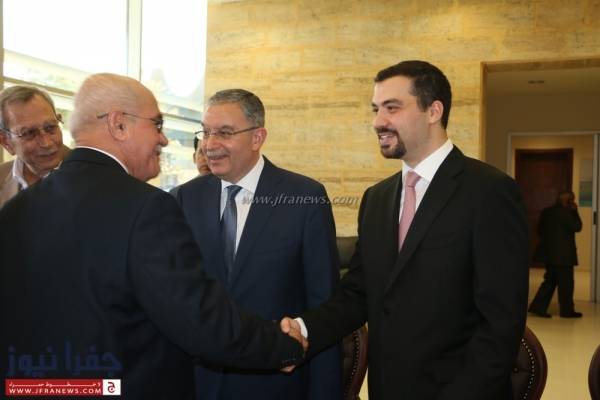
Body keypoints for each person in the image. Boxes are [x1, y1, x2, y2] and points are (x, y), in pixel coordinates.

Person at [0, 73, 305, 399]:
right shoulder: (146, 208)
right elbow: (198, 320)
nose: (164, 140)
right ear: (118, 124)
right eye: (157, 125)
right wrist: (283, 347)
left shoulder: (15, 210)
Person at [281, 60, 529, 400]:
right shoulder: (377, 199)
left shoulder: (490, 192)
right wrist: (303, 328)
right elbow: (358, 294)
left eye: (392, 108)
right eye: (376, 109)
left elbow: (501, 324)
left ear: (433, 111)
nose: (378, 122)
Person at [175, 89, 342, 400]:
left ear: (257, 137)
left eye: (224, 133)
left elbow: (324, 306)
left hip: (275, 383)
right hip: (199, 383)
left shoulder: (305, 197)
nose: (210, 144)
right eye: (206, 132)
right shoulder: (184, 198)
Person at [0, 85, 69, 208]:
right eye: (29, 133)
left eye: (50, 127)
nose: (46, 143)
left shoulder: (95, 173)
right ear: (6, 142)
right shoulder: (2, 176)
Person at [529, 190, 583, 318]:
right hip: (564, 256)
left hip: (549, 254)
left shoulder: (547, 212)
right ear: (569, 200)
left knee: (549, 282)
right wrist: (575, 211)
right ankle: (566, 311)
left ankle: (538, 307)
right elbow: (577, 227)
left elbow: (540, 230)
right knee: (566, 284)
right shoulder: (568, 212)